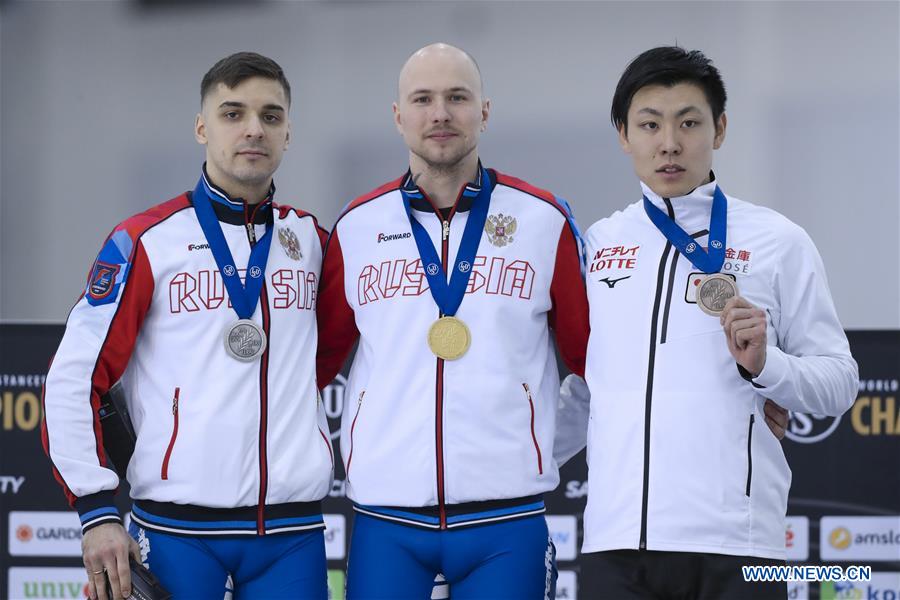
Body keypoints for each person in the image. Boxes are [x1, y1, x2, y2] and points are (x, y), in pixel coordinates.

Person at [555, 46, 859, 598]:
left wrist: (769, 368)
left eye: (688, 122)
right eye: (649, 124)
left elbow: (839, 383)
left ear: (719, 129)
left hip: (738, 544)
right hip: (615, 543)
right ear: (624, 134)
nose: (669, 143)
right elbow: (584, 392)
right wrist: (495, 477)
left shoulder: (778, 241)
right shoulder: (597, 245)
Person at [42, 52, 333, 600]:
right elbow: (74, 377)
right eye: (232, 113)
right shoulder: (147, 241)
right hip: (177, 531)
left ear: (289, 133)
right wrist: (96, 510)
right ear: (202, 127)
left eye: (271, 116)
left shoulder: (312, 243)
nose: (253, 128)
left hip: (292, 534)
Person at [316, 43, 589, 599]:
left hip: (506, 520)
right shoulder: (357, 227)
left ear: (484, 110)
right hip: (386, 519)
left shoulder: (543, 221)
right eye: (423, 99)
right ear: (398, 117)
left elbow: (596, 364)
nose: (440, 113)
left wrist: (530, 445)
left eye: (457, 97)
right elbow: (310, 369)